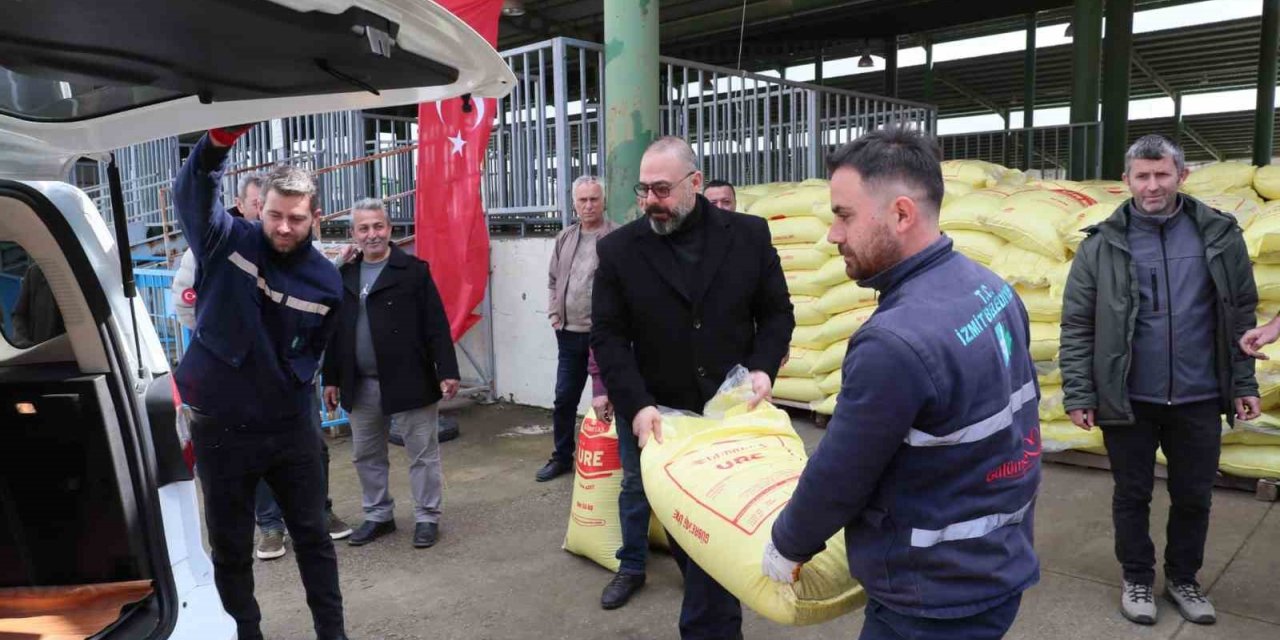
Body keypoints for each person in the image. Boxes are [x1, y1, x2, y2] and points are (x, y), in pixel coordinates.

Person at [763, 127, 1041, 640]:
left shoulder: (894, 342)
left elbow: (840, 475)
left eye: (844, 215)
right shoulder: (991, 288)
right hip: (997, 565)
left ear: (902, 214)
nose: (832, 234)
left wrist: (786, 546)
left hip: (929, 596)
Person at [592, 136, 794, 634]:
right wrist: (635, 406)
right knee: (692, 541)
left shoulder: (747, 235)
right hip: (662, 420)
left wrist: (763, 368)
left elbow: (776, 314)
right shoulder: (619, 250)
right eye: (643, 190)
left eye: (661, 189)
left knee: (715, 547)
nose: (650, 201)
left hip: (732, 416)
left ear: (695, 183)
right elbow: (609, 337)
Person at [1060, 134, 1260, 626]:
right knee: (1133, 494)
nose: (1152, 185)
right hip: (1128, 395)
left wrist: (1243, 384)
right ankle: (1137, 577)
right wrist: (1080, 392)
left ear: (1182, 176)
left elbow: (1240, 317)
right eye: (1142, 176)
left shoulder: (1219, 235)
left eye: (1162, 174)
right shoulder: (1101, 245)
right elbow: (1078, 324)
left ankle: (1184, 578)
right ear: (1126, 181)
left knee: (1194, 495)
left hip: (1199, 394)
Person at [173, 125, 348, 640]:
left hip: (290, 428)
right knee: (229, 548)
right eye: (275, 215)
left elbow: (320, 347)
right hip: (222, 430)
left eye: (297, 218)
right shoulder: (225, 240)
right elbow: (192, 193)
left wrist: (297, 381)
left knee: (314, 537)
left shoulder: (327, 280)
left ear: (314, 218)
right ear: (258, 209)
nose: (284, 227)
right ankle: (244, 634)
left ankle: (332, 633)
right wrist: (217, 143)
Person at [322, 198, 460, 549]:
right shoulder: (345, 276)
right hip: (360, 382)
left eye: (378, 226)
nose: (372, 235)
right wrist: (332, 378)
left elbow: (436, 326)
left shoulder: (413, 271)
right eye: (364, 228)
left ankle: (427, 517)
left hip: (410, 378)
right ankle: (378, 515)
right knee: (366, 454)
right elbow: (336, 332)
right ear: (353, 233)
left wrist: (447, 370)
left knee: (422, 453)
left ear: (390, 229)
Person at [537, 175, 618, 481]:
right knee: (564, 399)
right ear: (573, 203)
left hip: (605, 337)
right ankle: (561, 457)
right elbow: (553, 280)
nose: (588, 205)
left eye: (593, 199)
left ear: (604, 201)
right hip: (569, 334)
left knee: (613, 400)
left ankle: (616, 458)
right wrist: (555, 315)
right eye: (582, 200)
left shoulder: (616, 238)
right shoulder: (565, 238)